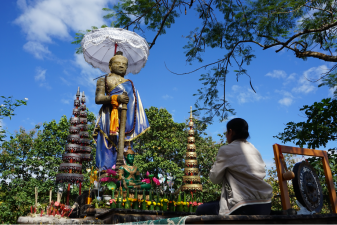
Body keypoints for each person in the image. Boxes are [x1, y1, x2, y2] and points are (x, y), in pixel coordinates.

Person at [196, 118, 273, 215]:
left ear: (230, 132)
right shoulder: (255, 150)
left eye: (226, 132)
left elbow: (214, 179)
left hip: (242, 206)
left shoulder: (226, 150)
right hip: (265, 205)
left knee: (200, 210)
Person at [93, 51, 150, 170]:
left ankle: (123, 168)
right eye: (117, 63)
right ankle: (106, 170)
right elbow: (98, 98)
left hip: (125, 119)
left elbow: (134, 103)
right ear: (110, 66)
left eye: (124, 64)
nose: (121, 66)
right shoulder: (103, 80)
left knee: (124, 144)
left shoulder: (129, 83)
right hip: (108, 116)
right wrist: (116, 98)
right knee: (106, 143)